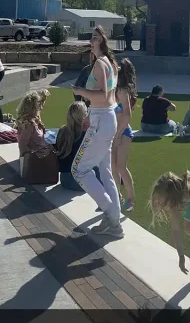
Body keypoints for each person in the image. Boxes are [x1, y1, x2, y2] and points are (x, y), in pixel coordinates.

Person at [71, 26, 124, 238]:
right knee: (105, 171)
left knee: (79, 170)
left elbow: (102, 95)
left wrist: (80, 91)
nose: (91, 41)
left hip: (101, 119)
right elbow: (110, 96)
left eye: (95, 38)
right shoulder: (111, 63)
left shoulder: (101, 64)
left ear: (102, 41)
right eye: (91, 37)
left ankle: (111, 214)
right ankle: (113, 221)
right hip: (105, 118)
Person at [55, 101, 98, 191]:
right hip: (77, 180)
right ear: (82, 115)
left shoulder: (63, 130)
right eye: (86, 112)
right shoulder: (85, 133)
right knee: (100, 169)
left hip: (64, 179)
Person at [113, 59, 137, 212]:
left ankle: (130, 199)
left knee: (121, 167)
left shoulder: (122, 91)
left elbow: (127, 115)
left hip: (122, 133)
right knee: (113, 168)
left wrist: (118, 135)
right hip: (114, 133)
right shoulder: (115, 90)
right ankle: (116, 197)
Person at [15, 90, 53, 160]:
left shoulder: (28, 118)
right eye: (39, 105)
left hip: (40, 152)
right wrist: (27, 161)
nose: (41, 107)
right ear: (34, 108)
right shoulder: (29, 125)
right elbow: (22, 144)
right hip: (36, 158)